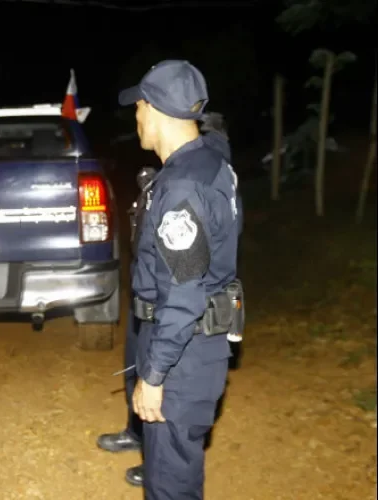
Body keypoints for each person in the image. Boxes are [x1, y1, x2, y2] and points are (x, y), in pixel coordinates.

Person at [104, 60, 243, 499]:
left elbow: (183, 294)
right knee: (174, 470)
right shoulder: (210, 163)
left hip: (183, 355)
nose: (137, 117)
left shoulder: (182, 186)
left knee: (170, 483)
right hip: (197, 348)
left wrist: (155, 375)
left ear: (159, 110)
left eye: (140, 107)